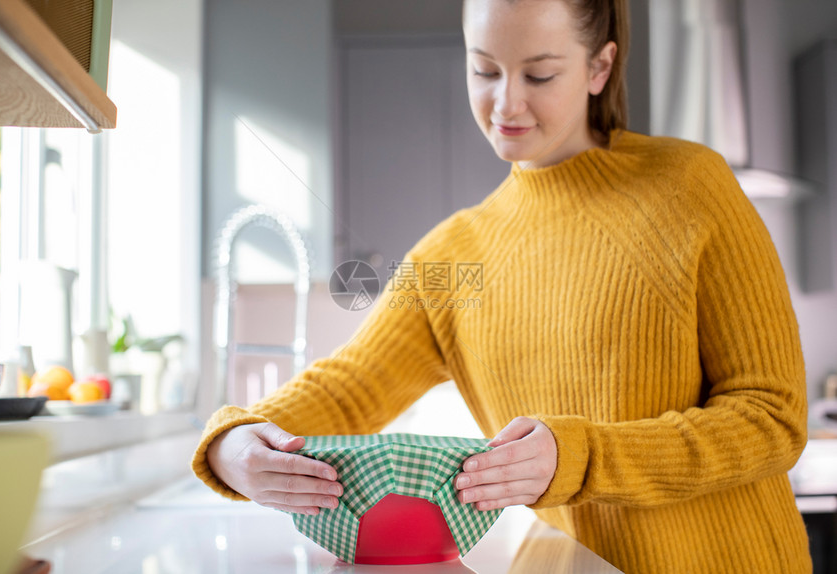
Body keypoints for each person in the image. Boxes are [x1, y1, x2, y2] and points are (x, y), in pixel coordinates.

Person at [192, 0, 812, 572]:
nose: (506, 105)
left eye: (539, 76)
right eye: (484, 70)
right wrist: (234, 444)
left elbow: (772, 418)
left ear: (600, 67)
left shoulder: (690, 186)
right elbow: (349, 388)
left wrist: (580, 457)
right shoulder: (453, 253)